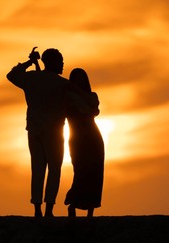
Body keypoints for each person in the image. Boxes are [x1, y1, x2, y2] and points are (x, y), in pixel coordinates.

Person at [6, 48, 96, 217]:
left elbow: (11, 75)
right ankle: (48, 209)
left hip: (34, 130)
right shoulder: (63, 84)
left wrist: (30, 62)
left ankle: (37, 209)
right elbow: (82, 97)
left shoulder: (31, 78)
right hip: (53, 132)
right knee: (54, 170)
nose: (62, 64)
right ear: (53, 62)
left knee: (38, 169)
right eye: (60, 61)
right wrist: (92, 101)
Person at [64, 68, 105, 218]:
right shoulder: (67, 96)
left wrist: (78, 92)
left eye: (82, 78)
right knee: (80, 171)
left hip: (94, 137)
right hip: (77, 138)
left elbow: (94, 109)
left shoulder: (91, 96)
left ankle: (90, 211)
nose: (79, 81)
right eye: (76, 79)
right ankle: (73, 204)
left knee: (95, 172)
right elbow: (81, 110)